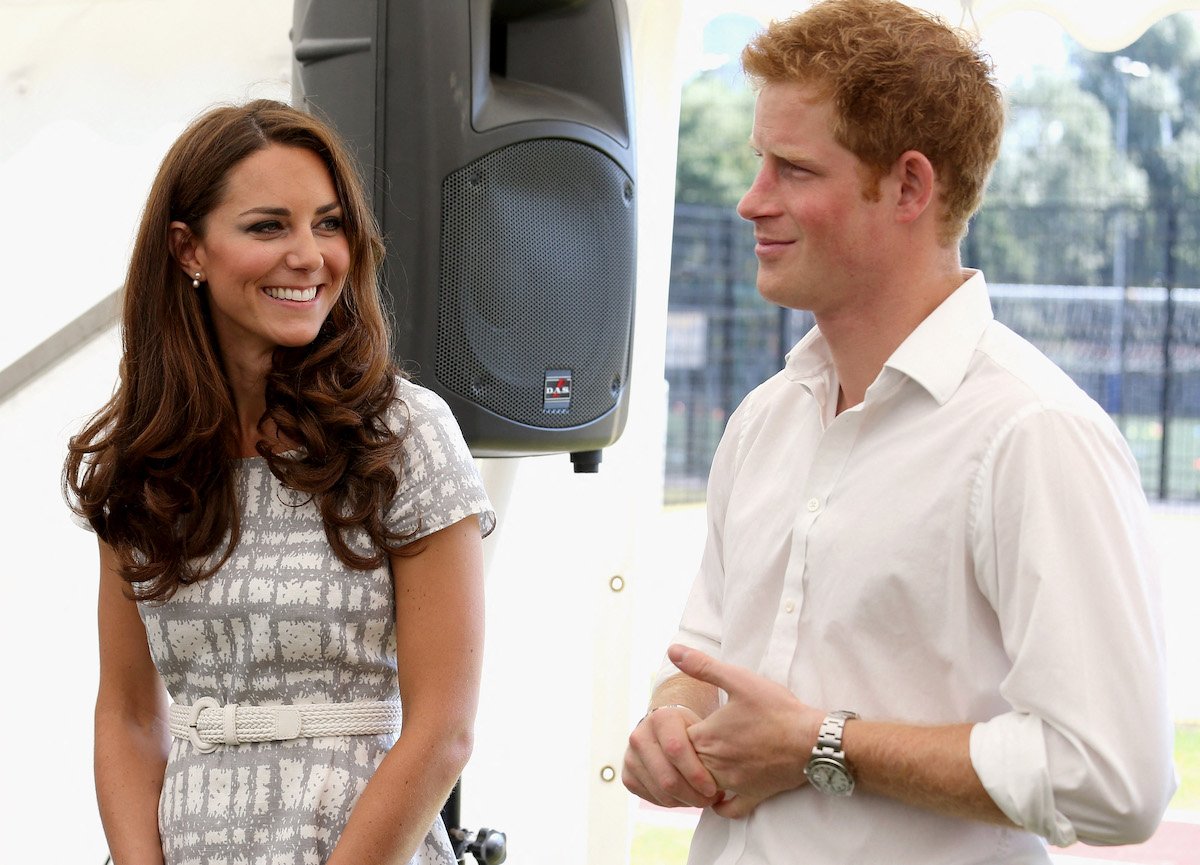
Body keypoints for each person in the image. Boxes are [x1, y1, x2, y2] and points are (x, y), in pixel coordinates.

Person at [623, 1, 1176, 862]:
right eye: (757, 161)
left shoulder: (1036, 431)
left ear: (911, 186)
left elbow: (1115, 777)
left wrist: (821, 745)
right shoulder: (769, 417)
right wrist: (670, 727)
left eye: (794, 169)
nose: (750, 200)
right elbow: (710, 663)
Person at [65, 100, 495, 865]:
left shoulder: (407, 434)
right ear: (188, 249)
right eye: (269, 226)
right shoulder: (142, 455)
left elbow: (444, 730)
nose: (311, 255)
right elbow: (129, 714)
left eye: (329, 224)